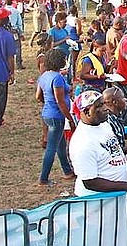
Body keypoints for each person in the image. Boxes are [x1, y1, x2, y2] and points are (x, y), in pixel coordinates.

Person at [69, 90, 127, 198]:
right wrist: (126, 186)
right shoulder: (82, 142)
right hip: (97, 204)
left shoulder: (104, 124)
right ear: (86, 112)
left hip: (116, 198)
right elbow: (90, 182)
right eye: (99, 106)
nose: (105, 108)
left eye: (104, 103)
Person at [35, 49, 76, 186]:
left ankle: (67, 171)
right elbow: (60, 101)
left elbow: (38, 96)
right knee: (52, 148)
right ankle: (43, 178)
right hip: (56, 116)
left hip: (47, 113)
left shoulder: (44, 76)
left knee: (61, 143)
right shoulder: (57, 78)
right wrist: (70, 118)